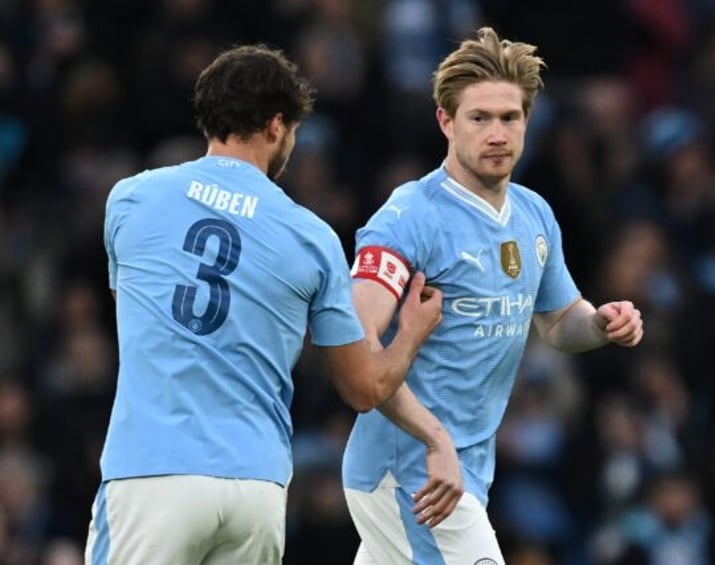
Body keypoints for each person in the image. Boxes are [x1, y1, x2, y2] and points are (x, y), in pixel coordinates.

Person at [83, 44, 444, 565]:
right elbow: (363, 388)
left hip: (153, 472)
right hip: (256, 487)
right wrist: (410, 331)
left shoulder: (131, 198)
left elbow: (134, 312)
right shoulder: (312, 238)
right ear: (277, 125)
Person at [342, 27, 644, 564]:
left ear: (527, 121)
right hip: (410, 473)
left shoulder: (534, 215)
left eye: (510, 117)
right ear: (445, 121)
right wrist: (435, 440)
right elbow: (356, 343)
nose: (497, 133)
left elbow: (557, 323)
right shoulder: (411, 216)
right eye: (479, 118)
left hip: (465, 470)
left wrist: (600, 323)